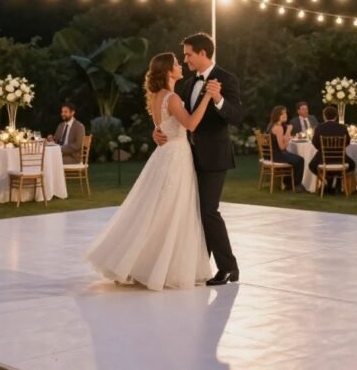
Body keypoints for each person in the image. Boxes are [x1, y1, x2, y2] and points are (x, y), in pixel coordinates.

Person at [85, 52, 214, 290]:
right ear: (168, 71)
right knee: (170, 210)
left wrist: (155, 133)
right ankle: (159, 268)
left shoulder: (156, 96)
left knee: (156, 209)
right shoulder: (172, 97)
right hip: (175, 155)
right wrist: (207, 98)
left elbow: (160, 127)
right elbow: (192, 124)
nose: (180, 66)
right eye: (176, 63)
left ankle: (140, 263)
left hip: (164, 154)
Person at [150, 33, 243, 286]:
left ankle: (228, 268)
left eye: (189, 54)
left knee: (208, 211)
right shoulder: (189, 84)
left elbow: (236, 117)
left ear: (203, 53)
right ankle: (196, 266)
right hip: (187, 157)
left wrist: (218, 99)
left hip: (214, 157)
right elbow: (181, 119)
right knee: (194, 212)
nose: (185, 59)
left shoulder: (226, 79)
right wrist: (158, 130)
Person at [309, 105, 356, 190]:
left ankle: (326, 182)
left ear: (324, 116)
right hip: (340, 158)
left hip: (323, 158)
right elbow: (348, 142)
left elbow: (314, 142)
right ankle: (335, 180)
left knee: (312, 165)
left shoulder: (319, 128)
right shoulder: (343, 127)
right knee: (352, 165)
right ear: (336, 116)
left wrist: (322, 150)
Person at [266, 105, 306, 192]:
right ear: (277, 115)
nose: (285, 115)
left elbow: (280, 142)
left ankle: (288, 183)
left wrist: (287, 137)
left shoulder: (272, 125)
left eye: (285, 113)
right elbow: (282, 147)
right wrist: (288, 131)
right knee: (300, 160)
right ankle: (294, 185)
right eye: (282, 114)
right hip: (278, 155)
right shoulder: (278, 128)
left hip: (274, 154)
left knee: (295, 159)